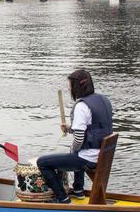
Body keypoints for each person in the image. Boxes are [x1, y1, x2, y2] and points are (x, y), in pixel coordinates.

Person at [37, 68, 113, 204]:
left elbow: (79, 139)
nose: (69, 89)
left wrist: (73, 149)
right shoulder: (104, 100)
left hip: (89, 158)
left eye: (70, 86)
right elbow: (93, 129)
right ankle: (78, 191)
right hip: (103, 155)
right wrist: (69, 128)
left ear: (76, 86)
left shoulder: (81, 106)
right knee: (77, 151)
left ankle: (63, 198)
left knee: (43, 162)